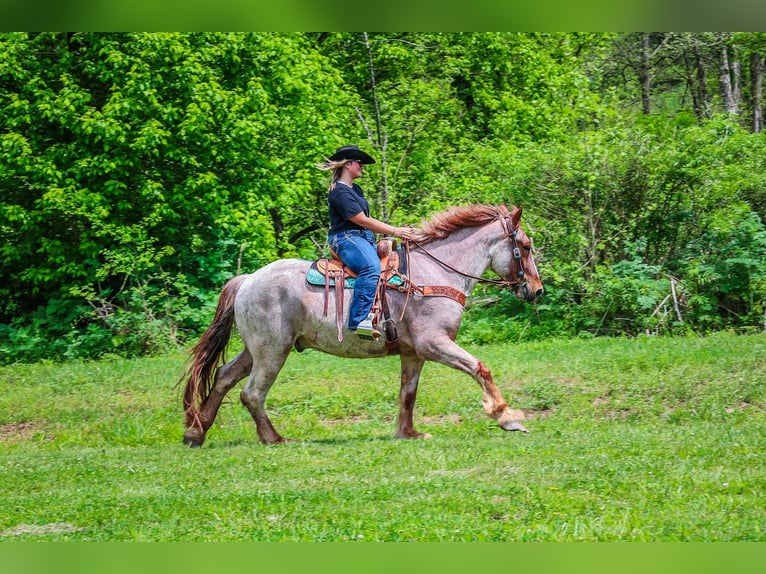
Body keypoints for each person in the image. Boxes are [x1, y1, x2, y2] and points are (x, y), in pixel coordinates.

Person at [319, 145, 419, 339]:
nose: (362, 166)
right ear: (348, 164)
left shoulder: (355, 189)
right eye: (359, 162)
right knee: (371, 267)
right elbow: (362, 220)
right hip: (346, 238)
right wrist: (395, 230)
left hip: (362, 238)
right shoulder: (339, 192)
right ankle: (359, 321)